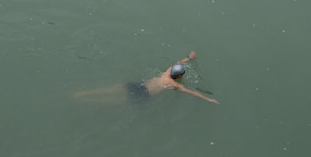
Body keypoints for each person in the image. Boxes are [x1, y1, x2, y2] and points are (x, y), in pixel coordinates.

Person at [73, 51, 220, 105]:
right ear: (180, 76)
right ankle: (87, 100)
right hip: (144, 94)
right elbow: (193, 93)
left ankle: (84, 94)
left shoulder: (167, 72)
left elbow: (178, 63)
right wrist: (208, 99)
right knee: (116, 100)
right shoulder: (175, 85)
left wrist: (189, 57)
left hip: (140, 85)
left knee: (113, 89)